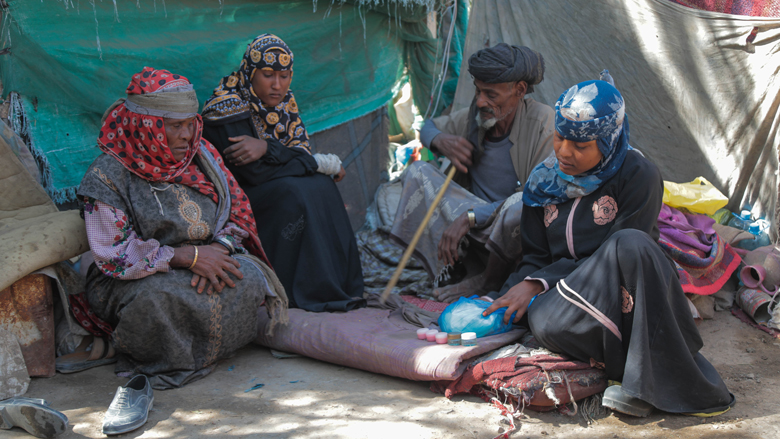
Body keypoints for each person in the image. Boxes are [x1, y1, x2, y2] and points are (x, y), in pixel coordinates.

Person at [483, 75, 735, 416]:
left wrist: (537, 282)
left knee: (630, 242)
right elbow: (536, 257)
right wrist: (517, 290)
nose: (564, 152)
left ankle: (649, 384)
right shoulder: (542, 183)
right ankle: (631, 374)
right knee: (544, 322)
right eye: (559, 138)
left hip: (625, 293)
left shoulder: (638, 175)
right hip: (568, 295)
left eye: (581, 146)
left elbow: (624, 254)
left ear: (609, 140)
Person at [78, 67, 288, 390]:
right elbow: (114, 253)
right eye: (175, 127)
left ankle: (196, 351)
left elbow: (238, 210)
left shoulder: (202, 155)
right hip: (139, 273)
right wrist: (188, 257)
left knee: (246, 280)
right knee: (157, 302)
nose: (187, 136)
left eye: (191, 125)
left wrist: (219, 251)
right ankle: (157, 357)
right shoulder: (106, 176)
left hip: (209, 254)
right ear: (147, 126)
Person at [201, 34, 365, 312]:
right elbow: (254, 173)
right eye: (267, 75)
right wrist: (312, 162)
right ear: (250, 73)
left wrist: (268, 148)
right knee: (296, 192)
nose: (277, 85)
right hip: (237, 199)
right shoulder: (226, 107)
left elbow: (295, 158)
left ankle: (339, 285)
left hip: (270, 182)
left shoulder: (284, 107)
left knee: (321, 185)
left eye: (284, 76)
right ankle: (294, 288)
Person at [391, 43, 554, 302]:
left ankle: (489, 283)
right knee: (419, 171)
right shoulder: (475, 116)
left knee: (518, 205)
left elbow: (537, 199)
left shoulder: (544, 124)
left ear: (519, 90)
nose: (480, 101)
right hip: (471, 231)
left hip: (511, 234)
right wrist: (441, 140)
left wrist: (470, 217)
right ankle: (450, 271)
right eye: (478, 91)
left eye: (491, 94)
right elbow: (429, 127)